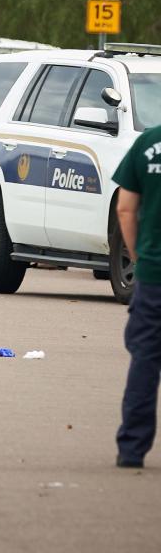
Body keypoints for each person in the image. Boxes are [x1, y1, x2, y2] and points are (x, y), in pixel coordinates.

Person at [113, 125, 161, 468]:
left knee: (145, 358)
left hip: (154, 274)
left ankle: (132, 449)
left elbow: (125, 208)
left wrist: (138, 257)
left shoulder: (148, 143)